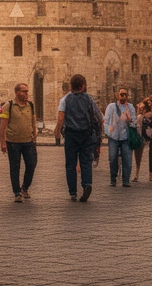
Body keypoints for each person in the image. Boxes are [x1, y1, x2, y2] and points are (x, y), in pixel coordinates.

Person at [54, 73, 101, 202]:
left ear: (71, 86)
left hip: (71, 134)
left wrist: (58, 133)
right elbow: (99, 116)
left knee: (70, 163)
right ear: (83, 86)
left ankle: (73, 192)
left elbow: (61, 118)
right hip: (86, 134)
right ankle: (86, 184)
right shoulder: (89, 99)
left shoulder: (65, 99)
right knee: (86, 161)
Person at [0, 83, 38, 202]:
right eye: (24, 91)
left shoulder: (30, 105)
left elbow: (33, 121)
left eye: (27, 91)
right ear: (17, 92)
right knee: (15, 167)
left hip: (28, 141)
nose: (26, 94)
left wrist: (34, 136)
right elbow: (3, 126)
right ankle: (17, 192)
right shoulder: (8, 106)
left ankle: (25, 187)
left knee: (31, 164)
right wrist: (3, 142)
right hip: (13, 142)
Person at [102, 87, 137, 187]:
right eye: (122, 94)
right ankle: (113, 178)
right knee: (113, 158)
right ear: (117, 95)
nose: (124, 96)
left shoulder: (130, 107)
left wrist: (129, 118)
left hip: (126, 136)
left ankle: (126, 180)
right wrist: (108, 131)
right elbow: (107, 120)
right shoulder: (111, 107)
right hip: (114, 136)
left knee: (127, 159)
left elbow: (134, 122)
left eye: (126, 94)